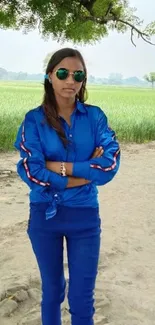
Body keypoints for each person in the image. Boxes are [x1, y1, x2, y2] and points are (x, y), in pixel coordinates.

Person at [14, 47, 120, 325]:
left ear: (84, 80)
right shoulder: (33, 120)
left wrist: (58, 167)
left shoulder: (95, 118)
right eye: (63, 73)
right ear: (50, 76)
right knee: (52, 291)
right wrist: (85, 174)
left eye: (78, 75)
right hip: (44, 216)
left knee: (82, 297)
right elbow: (30, 170)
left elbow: (109, 165)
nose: (70, 80)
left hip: (85, 217)